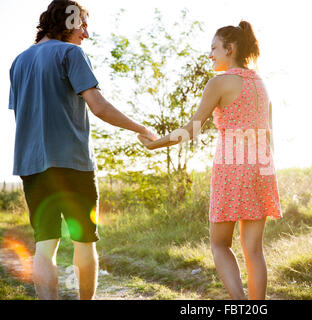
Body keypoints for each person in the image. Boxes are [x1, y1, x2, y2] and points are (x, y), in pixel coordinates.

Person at [8, 0, 157, 300]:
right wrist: (142, 129)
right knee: (84, 242)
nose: (86, 34)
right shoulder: (71, 53)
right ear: (67, 22)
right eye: (83, 25)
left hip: (31, 165)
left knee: (45, 245)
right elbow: (99, 107)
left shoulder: (18, 62)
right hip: (73, 163)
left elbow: (20, 114)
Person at [139, 21, 282, 300]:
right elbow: (270, 136)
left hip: (232, 167)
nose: (210, 54)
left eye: (214, 48)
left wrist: (156, 144)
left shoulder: (219, 82)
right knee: (254, 250)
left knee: (219, 244)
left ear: (230, 48)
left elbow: (193, 129)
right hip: (263, 166)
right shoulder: (262, 84)